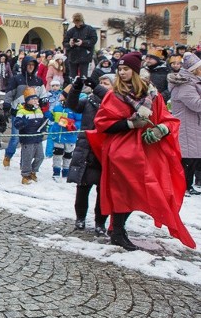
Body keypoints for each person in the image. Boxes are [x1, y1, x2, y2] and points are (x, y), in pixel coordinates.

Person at [88, 52, 196, 251]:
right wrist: (129, 124)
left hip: (145, 151)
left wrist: (160, 130)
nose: (122, 72)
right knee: (123, 192)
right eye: (120, 69)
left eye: (126, 69)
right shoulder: (114, 95)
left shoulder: (151, 94)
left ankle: (118, 230)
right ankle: (118, 231)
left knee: (140, 190)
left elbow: (166, 119)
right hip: (121, 151)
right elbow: (103, 124)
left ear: (136, 71)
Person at [67, 73, 112, 234]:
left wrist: (96, 87)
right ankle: (80, 218)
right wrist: (76, 87)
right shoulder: (89, 101)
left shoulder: (115, 102)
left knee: (103, 192)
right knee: (82, 188)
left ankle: (100, 223)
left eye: (106, 83)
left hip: (105, 151)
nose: (102, 85)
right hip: (86, 149)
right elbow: (71, 105)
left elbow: (109, 99)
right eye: (101, 82)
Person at [167, 52, 201, 196]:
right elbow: (197, 105)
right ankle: (183, 187)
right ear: (195, 69)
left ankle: (187, 185)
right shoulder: (186, 85)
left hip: (193, 125)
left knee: (192, 158)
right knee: (187, 159)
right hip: (187, 126)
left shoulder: (191, 81)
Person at [2, 57, 46, 168]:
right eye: (29, 64)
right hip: (18, 112)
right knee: (15, 138)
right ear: (24, 65)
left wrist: (44, 100)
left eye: (33, 64)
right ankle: (8, 156)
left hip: (32, 114)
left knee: (28, 141)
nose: (31, 66)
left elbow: (43, 94)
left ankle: (24, 164)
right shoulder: (16, 79)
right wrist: (6, 105)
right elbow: (9, 93)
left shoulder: (38, 81)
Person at [47, 88, 82, 180]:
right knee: (57, 154)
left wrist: (74, 125)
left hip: (69, 136)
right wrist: (46, 111)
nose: (60, 96)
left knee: (68, 155)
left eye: (62, 95)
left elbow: (79, 120)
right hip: (58, 136)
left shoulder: (74, 109)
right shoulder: (57, 107)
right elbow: (51, 117)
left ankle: (66, 172)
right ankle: (56, 172)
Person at [15, 88, 47, 185]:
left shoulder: (38, 110)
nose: (35, 101)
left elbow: (42, 122)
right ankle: (25, 175)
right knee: (27, 157)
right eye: (33, 99)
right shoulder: (22, 111)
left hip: (37, 137)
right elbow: (17, 124)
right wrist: (22, 123)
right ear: (27, 100)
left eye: (36, 99)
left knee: (40, 156)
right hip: (27, 138)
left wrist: (44, 126)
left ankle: (33, 171)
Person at [63, 13, 98, 78]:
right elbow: (64, 43)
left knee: (84, 77)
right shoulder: (71, 31)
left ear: (82, 21)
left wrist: (83, 42)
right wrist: (70, 44)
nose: (77, 24)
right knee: (72, 77)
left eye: (78, 22)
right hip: (73, 57)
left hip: (85, 57)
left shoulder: (90, 29)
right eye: (76, 22)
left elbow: (94, 40)